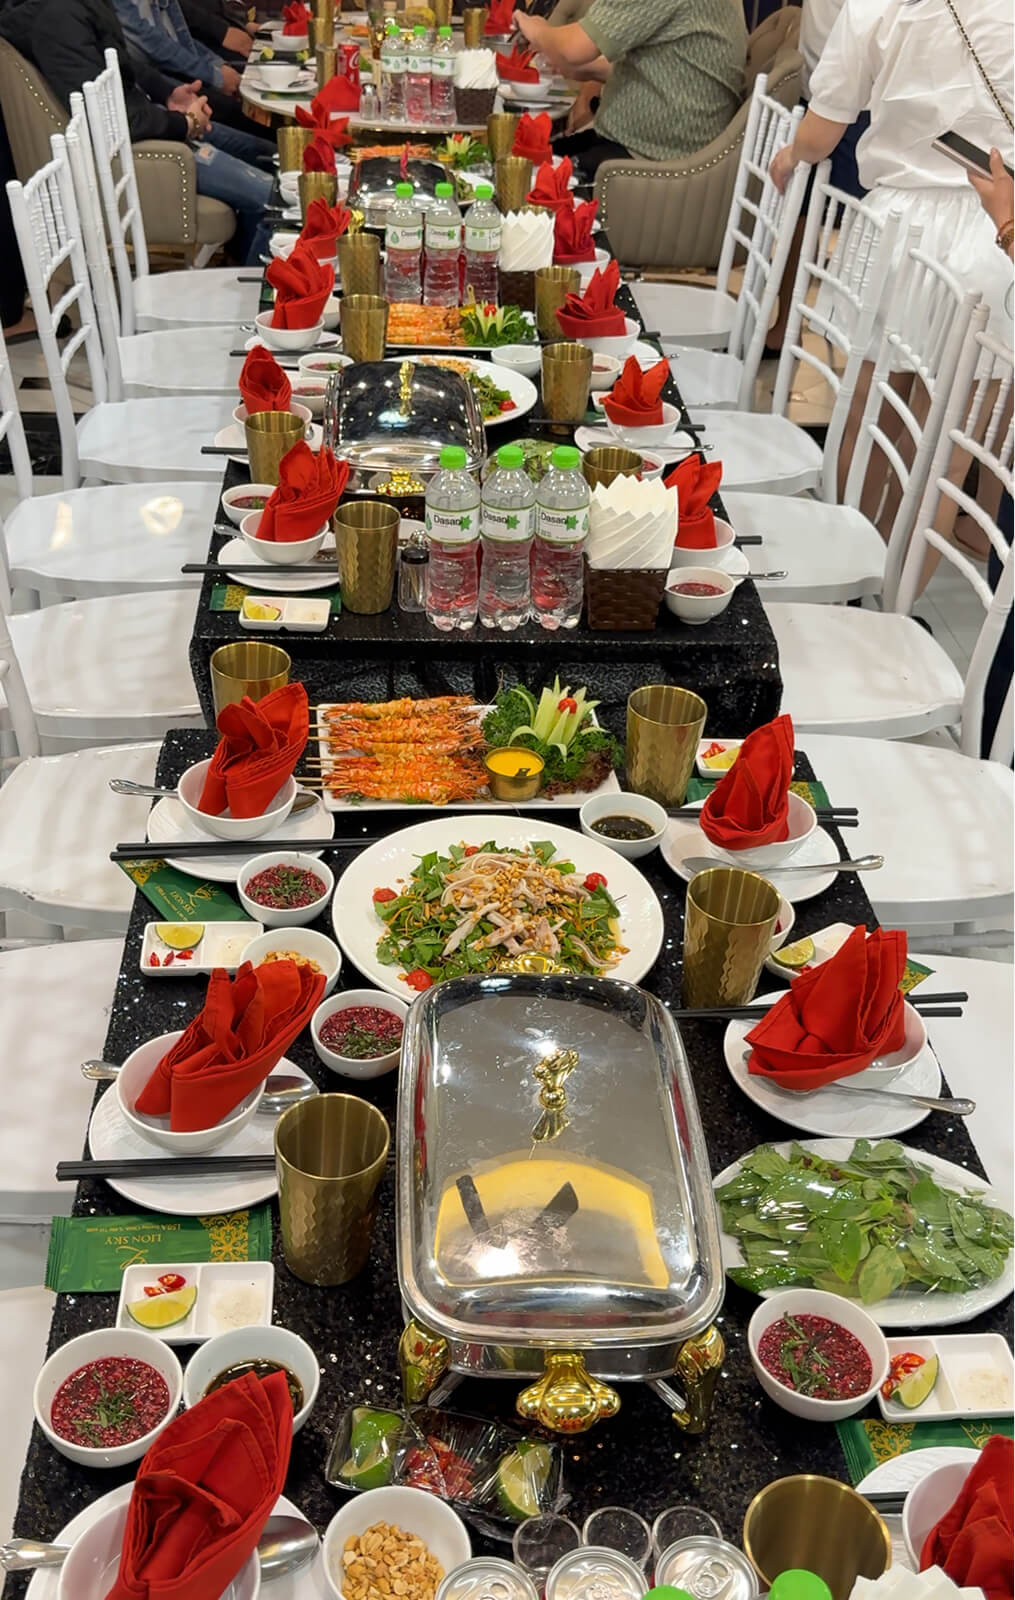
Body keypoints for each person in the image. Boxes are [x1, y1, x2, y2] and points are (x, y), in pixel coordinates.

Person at [0, 0, 273, 264]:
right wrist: (184, 123)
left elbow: (121, 63)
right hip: (138, 152)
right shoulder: (58, 19)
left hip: (146, 122)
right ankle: (262, 291)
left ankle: (243, 270)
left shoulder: (75, 9)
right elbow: (111, 120)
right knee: (276, 199)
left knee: (267, 155)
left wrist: (169, 94)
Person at [513, 0, 746, 178]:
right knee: (518, 159)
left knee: (513, 176)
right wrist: (588, 69)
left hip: (652, 161)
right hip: (669, 149)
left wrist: (537, 29)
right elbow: (674, 64)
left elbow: (573, 48)